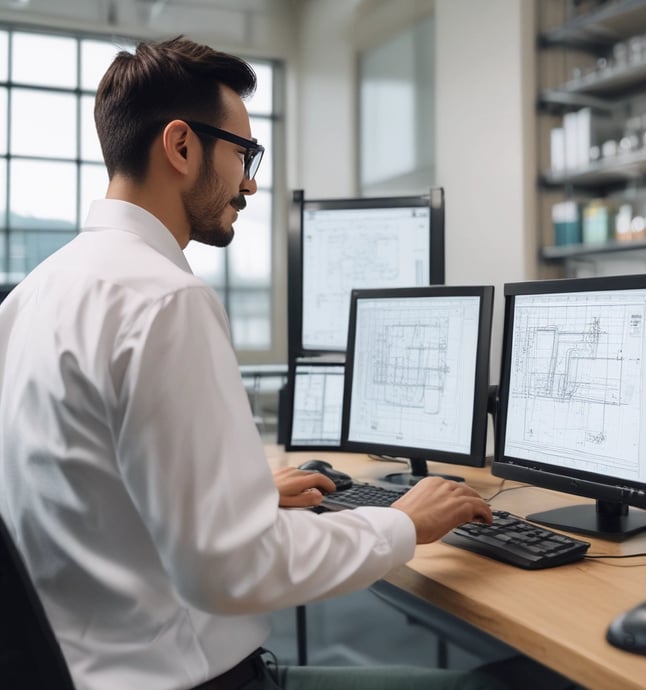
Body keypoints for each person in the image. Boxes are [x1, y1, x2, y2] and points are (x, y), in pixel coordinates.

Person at [0, 36, 575, 690]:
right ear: (182, 147)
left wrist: (236, 500)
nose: (249, 181)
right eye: (244, 153)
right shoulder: (163, 300)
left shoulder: (29, 298)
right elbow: (232, 570)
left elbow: (68, 497)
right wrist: (401, 523)